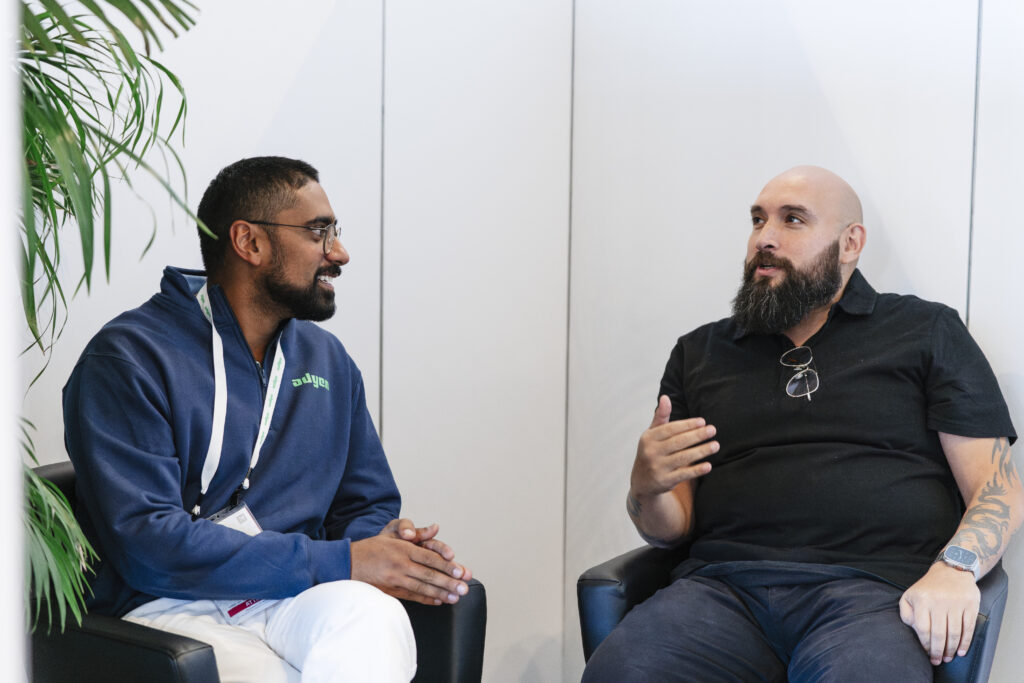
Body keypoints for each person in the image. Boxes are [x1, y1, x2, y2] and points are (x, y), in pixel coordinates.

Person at [582, 166, 1023, 682]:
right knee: (622, 671)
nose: (764, 238)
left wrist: (955, 568)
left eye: (792, 220)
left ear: (850, 243)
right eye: (758, 220)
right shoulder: (701, 352)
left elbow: (997, 487)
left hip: (873, 594)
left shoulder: (925, 331)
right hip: (721, 592)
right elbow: (670, 529)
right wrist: (646, 487)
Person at [62, 156, 472, 683]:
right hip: (169, 605)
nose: (339, 253)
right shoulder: (129, 360)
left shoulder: (326, 360)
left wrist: (384, 545)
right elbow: (149, 544)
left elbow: (363, 504)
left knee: (373, 618)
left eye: (336, 232)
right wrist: (343, 561)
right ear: (249, 242)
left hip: (292, 594)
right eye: (318, 232)